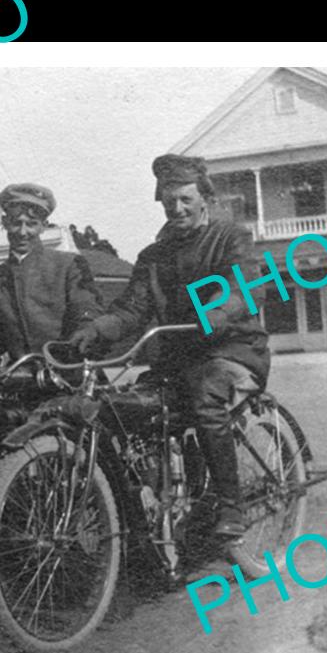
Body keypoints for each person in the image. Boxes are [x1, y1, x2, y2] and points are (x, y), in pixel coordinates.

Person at [70, 154, 270, 538]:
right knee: (123, 408)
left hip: (233, 352)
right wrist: (95, 331)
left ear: (204, 199)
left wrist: (219, 311)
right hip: (178, 360)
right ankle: (159, 503)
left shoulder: (230, 237)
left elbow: (246, 285)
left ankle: (232, 506)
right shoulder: (153, 257)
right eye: (168, 202)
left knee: (206, 396)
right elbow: (131, 309)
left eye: (185, 200)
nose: (176, 209)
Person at [0, 182, 103, 367]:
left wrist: (83, 335)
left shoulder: (69, 266)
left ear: (43, 226)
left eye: (31, 224)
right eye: (15, 223)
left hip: (71, 374)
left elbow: (86, 311)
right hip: (21, 383)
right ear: (4, 223)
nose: (22, 232)